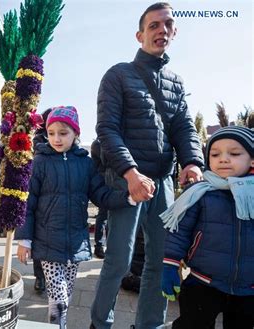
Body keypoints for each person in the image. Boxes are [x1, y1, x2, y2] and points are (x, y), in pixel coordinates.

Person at [90, 3, 205, 328]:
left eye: (167, 24)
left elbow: (184, 127)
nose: (161, 30)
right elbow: (107, 130)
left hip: (163, 183)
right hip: (126, 182)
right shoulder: (118, 75)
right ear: (140, 34)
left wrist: (192, 162)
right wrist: (130, 173)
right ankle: (100, 323)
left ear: (175, 32)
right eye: (154, 25)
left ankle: (150, 324)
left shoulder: (176, 82)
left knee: (161, 260)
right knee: (119, 260)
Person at [16, 106, 135, 328]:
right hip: (48, 241)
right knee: (59, 297)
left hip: (75, 243)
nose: (56, 138)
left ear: (75, 134)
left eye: (63, 133)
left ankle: (57, 323)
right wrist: (25, 239)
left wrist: (128, 197)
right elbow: (28, 203)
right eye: (51, 133)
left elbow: (101, 195)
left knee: (67, 295)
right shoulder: (40, 162)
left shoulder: (85, 163)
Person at [161, 126, 254, 329]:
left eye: (235, 153)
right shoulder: (200, 193)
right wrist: (169, 264)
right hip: (203, 281)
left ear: (252, 159)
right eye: (215, 153)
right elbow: (179, 231)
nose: (223, 158)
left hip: (248, 288)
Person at [31, 108, 52, 292]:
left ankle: (50, 276)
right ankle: (40, 277)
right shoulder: (39, 140)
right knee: (39, 240)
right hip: (43, 196)